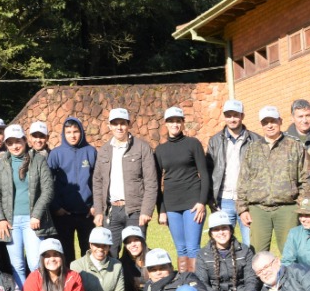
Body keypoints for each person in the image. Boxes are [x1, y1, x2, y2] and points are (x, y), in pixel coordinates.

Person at [236, 105, 310, 253]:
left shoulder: (295, 146)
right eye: (265, 122)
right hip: (258, 209)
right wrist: (242, 209)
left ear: (280, 121)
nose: (269, 125)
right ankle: (260, 277)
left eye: (273, 121)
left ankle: (291, 277)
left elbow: (308, 179)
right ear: (261, 124)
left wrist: (304, 208)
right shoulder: (252, 149)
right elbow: (243, 180)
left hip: (287, 209)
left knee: (291, 253)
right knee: (257, 254)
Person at [0, 124, 56, 287]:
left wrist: (36, 214)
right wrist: (0, 219)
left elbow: (48, 189)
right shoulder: (2, 164)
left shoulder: (39, 160)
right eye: (10, 142)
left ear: (25, 141)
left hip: (33, 221)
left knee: (35, 264)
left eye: (17, 141)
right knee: (17, 265)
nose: (14, 146)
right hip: (10, 223)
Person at [92, 108, 158, 258]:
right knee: (110, 254)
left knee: (135, 254)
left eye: (122, 123)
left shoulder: (142, 148)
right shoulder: (104, 151)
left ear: (128, 124)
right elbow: (97, 182)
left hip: (135, 210)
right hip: (112, 211)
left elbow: (151, 181)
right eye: (115, 124)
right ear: (109, 126)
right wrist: (99, 211)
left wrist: (146, 211)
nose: (119, 127)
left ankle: (137, 282)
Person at [155, 106, 210, 273]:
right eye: (171, 121)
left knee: (193, 247)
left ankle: (196, 283)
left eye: (178, 121)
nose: (175, 124)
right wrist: (161, 210)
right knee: (181, 249)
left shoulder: (193, 144)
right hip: (171, 205)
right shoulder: (160, 150)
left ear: (183, 123)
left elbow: (205, 174)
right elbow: (157, 183)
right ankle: (184, 282)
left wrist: (202, 202)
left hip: (193, 203)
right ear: (166, 124)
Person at [194, 211, 260, 291]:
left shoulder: (245, 251)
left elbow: (251, 280)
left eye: (224, 228)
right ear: (211, 233)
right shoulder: (203, 254)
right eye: (216, 229)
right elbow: (202, 282)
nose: (221, 232)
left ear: (230, 229)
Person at [47, 116, 97, 262]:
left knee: (88, 253)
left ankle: (89, 283)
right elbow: (48, 183)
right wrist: (56, 207)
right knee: (66, 253)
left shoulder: (91, 152)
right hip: (63, 214)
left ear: (81, 132)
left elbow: (98, 181)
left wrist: (95, 205)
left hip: (87, 213)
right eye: (68, 132)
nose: (72, 135)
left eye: (76, 131)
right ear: (63, 134)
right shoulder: (56, 154)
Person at [71, 227, 137, 291]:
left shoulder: (117, 265)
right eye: (97, 245)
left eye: (104, 246)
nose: (101, 249)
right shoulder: (76, 266)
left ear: (109, 247)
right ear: (90, 245)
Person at [206, 100, 254, 244]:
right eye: (228, 115)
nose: (232, 119)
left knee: (251, 243)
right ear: (224, 117)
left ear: (242, 116)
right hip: (223, 200)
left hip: (248, 201)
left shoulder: (255, 140)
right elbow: (209, 171)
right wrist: (210, 198)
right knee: (223, 244)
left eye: (236, 115)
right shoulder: (215, 141)